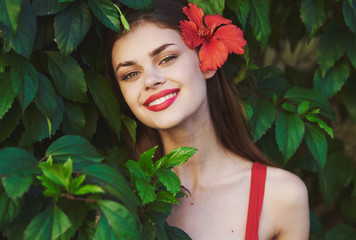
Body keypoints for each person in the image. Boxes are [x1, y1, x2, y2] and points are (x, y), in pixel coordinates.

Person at [105, 0, 310, 239]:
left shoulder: (280, 196)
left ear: (207, 61)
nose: (150, 80)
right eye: (130, 74)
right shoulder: (117, 202)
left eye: (167, 58)